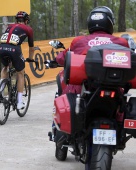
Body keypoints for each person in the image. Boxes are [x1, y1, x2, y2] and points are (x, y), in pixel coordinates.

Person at [50, 6, 130, 140]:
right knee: (122, 103)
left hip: (84, 89)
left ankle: (61, 135)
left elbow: (63, 58)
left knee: (65, 95)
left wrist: (54, 61)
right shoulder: (121, 42)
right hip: (114, 87)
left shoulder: (79, 41)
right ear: (110, 22)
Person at [0, 11, 35, 109]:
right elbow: (31, 48)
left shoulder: (9, 26)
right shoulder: (28, 29)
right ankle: (19, 102)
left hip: (1, 48)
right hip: (14, 50)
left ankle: (0, 92)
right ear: (26, 21)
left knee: (5, 67)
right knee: (20, 73)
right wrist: (30, 58)